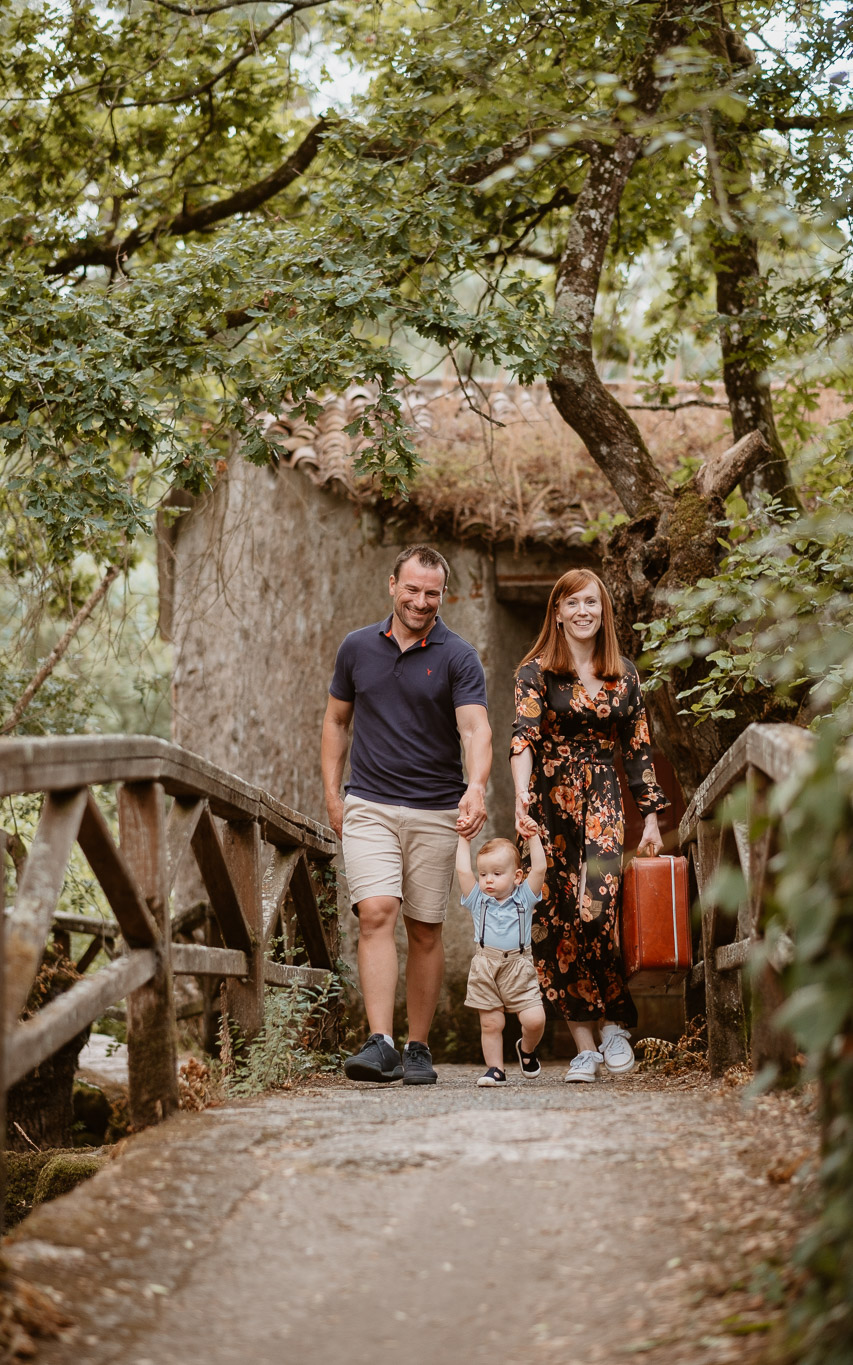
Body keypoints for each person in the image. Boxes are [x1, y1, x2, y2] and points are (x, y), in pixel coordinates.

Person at [322, 544, 492, 1085]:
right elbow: (336, 723)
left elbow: (475, 729)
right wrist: (333, 794)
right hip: (368, 802)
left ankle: (417, 1047)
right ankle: (380, 1043)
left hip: (437, 808)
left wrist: (478, 786)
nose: (421, 601)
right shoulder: (356, 649)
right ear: (392, 584)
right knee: (375, 912)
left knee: (424, 927)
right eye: (412, 589)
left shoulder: (458, 656)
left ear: (444, 595)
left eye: (432, 593)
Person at [510, 568, 667, 1083]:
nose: (583, 612)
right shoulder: (534, 672)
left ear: (604, 613)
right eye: (572, 603)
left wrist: (651, 818)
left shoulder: (625, 673)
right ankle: (584, 1044)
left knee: (597, 912)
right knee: (555, 923)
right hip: (547, 809)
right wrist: (520, 800)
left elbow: (639, 749)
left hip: (602, 802)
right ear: (557, 611)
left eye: (592, 603)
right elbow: (524, 740)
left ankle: (618, 1024)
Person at [456, 827, 547, 1087]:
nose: (488, 880)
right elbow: (463, 871)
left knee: (534, 1020)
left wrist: (533, 836)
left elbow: (539, 869)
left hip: (518, 966)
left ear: (517, 876)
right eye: (484, 874)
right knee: (491, 1023)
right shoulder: (477, 900)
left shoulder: (525, 898)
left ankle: (527, 1049)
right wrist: (464, 839)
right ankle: (495, 1069)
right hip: (485, 965)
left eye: (497, 874)